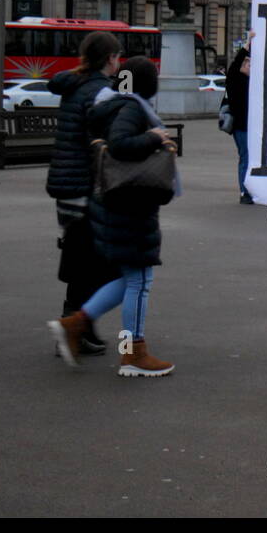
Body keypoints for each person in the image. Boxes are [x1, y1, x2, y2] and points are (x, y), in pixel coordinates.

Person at [49, 56, 178, 377]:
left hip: (116, 203)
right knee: (140, 280)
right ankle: (133, 352)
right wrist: (155, 138)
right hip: (130, 206)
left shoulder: (112, 104)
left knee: (128, 279)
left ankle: (75, 324)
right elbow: (120, 145)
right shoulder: (132, 108)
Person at [45, 32, 122, 355]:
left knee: (83, 258)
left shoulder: (74, 86)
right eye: (117, 57)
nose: (120, 63)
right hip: (87, 187)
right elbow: (102, 145)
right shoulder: (100, 93)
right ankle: (72, 327)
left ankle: (82, 328)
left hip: (66, 186)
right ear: (109, 60)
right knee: (95, 262)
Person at [226, 34, 254, 204]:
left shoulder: (251, 81)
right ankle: (244, 192)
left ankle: (249, 189)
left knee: (248, 157)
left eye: (250, 64)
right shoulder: (235, 78)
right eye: (247, 63)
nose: (249, 66)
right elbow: (236, 62)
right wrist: (247, 44)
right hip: (241, 126)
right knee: (245, 157)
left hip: (249, 125)